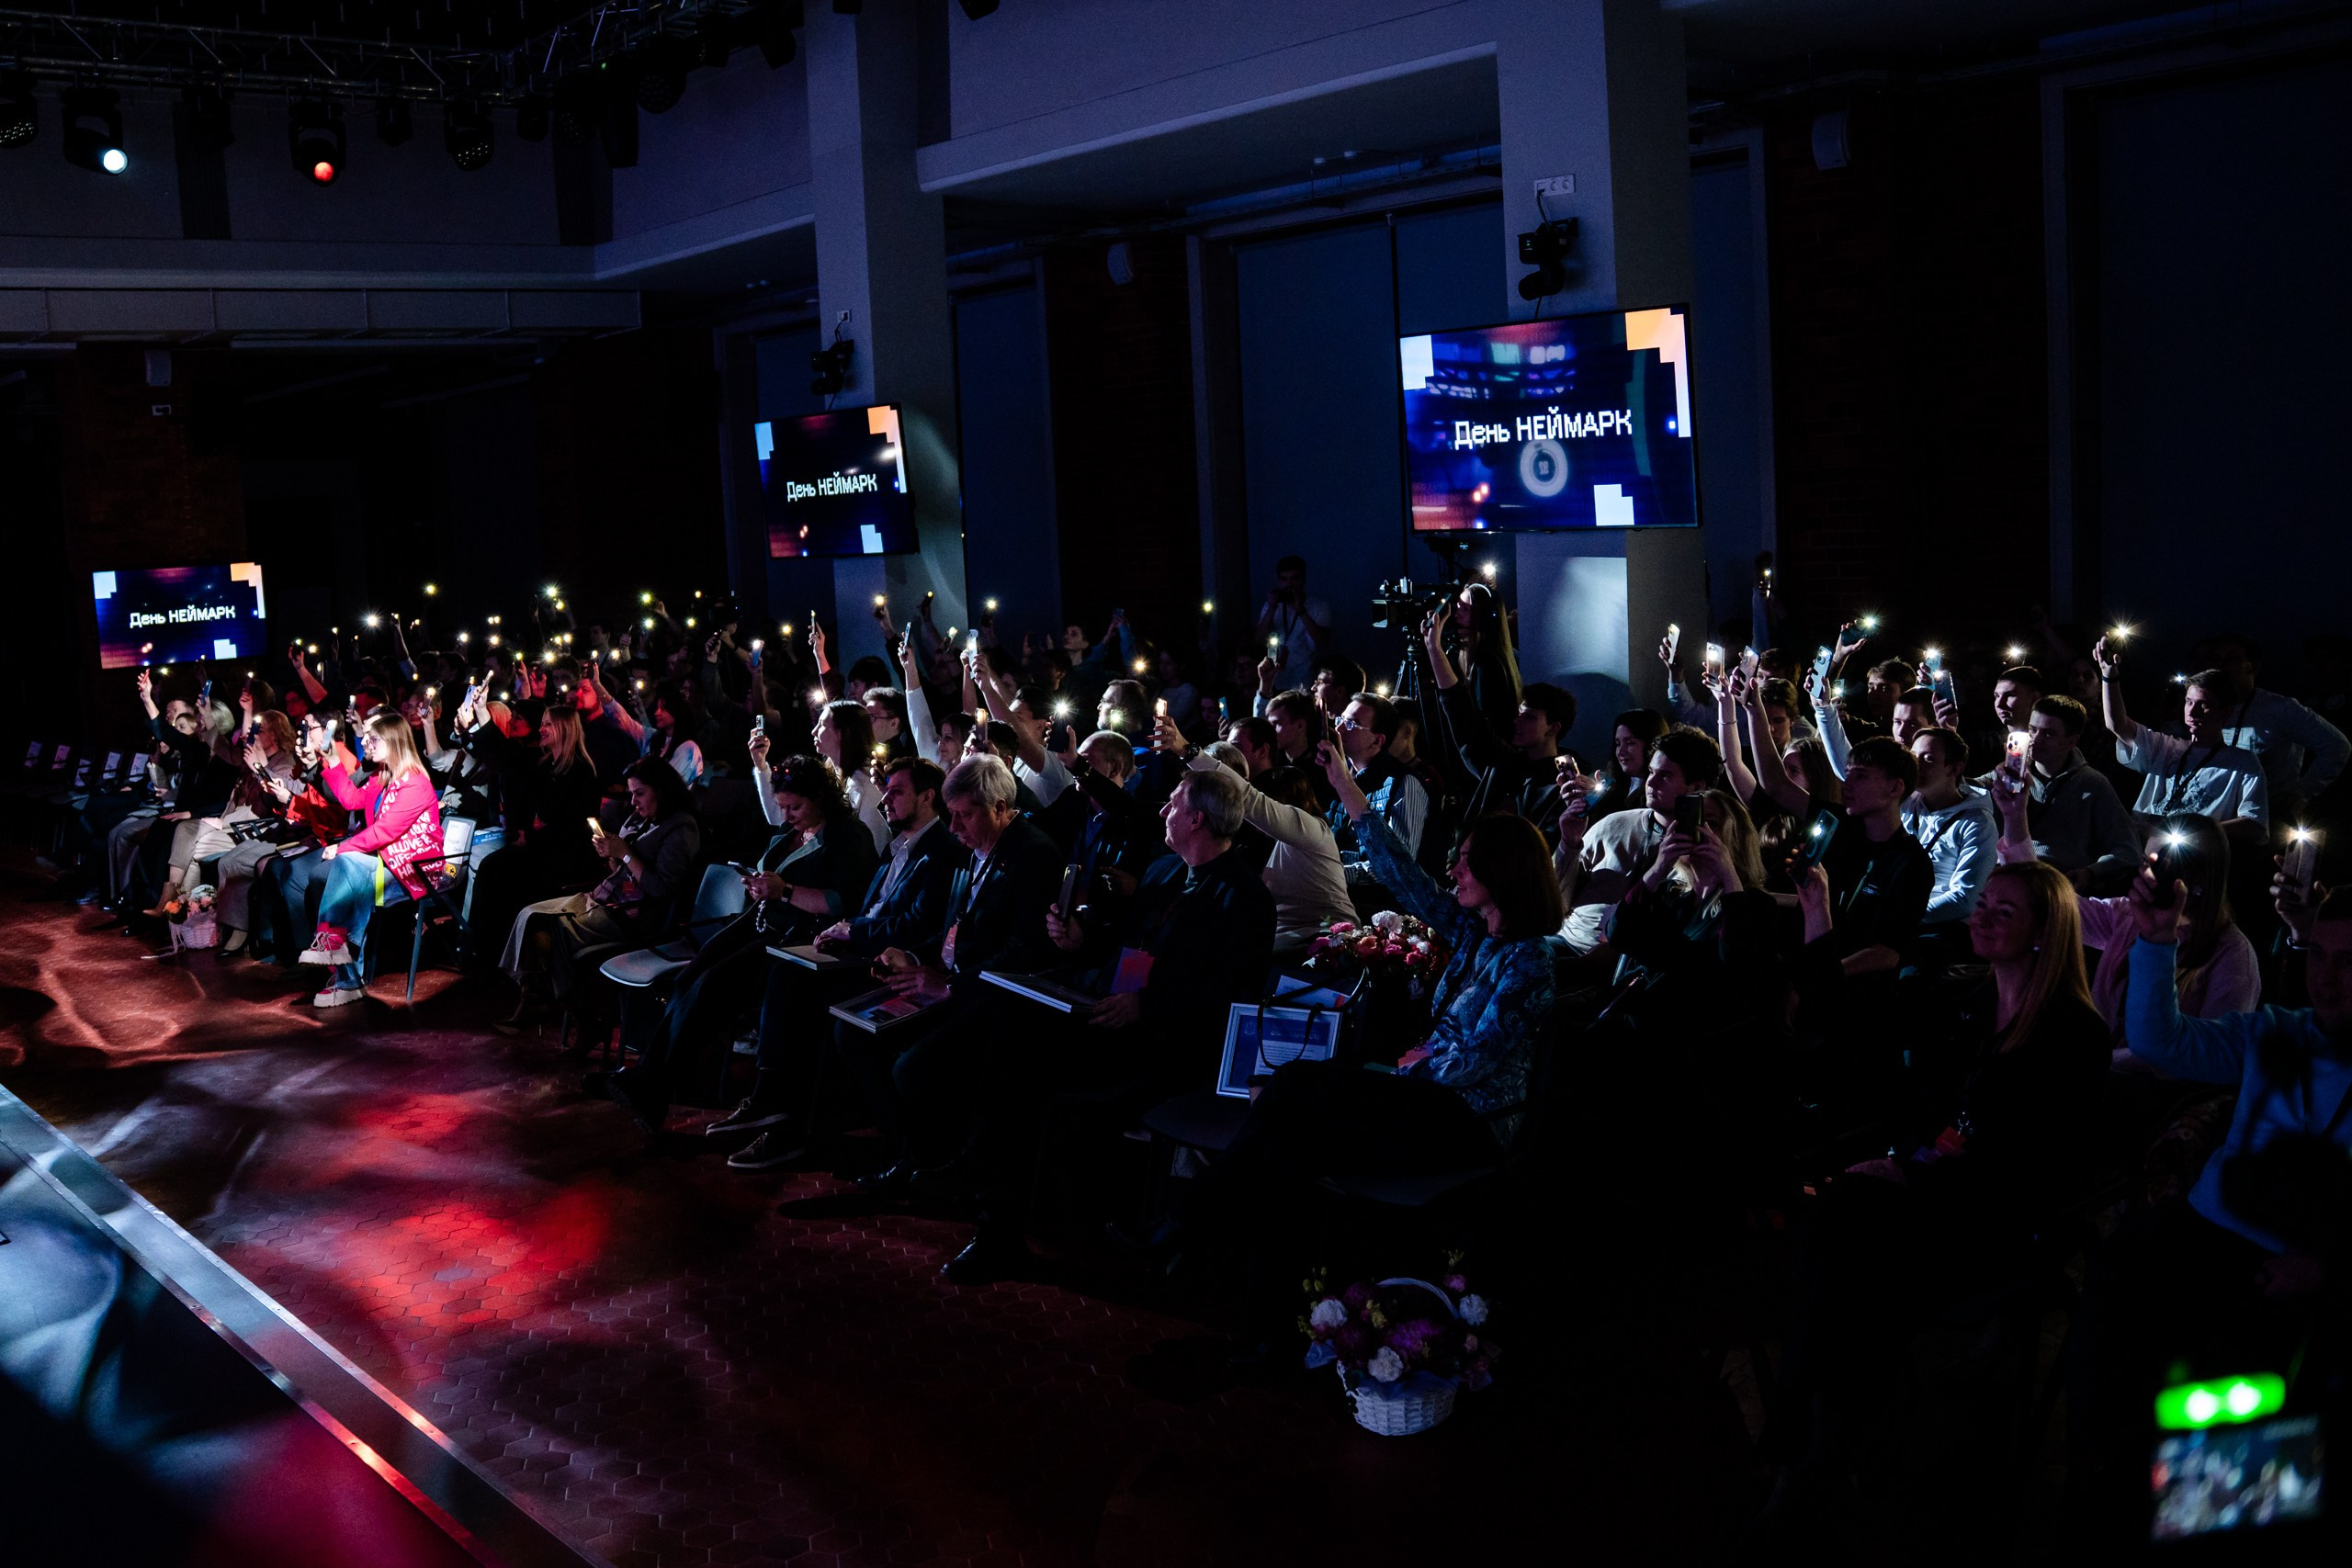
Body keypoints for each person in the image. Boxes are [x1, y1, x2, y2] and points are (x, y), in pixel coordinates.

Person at [1125, 743, 1565, 1342]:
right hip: (1423, 1097)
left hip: (1468, 1121)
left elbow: (1478, 1056)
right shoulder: (1473, 933)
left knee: (1294, 1095)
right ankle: (1263, 1329)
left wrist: (1417, 1062)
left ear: (1503, 874)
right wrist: (1347, 790)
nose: (1455, 871)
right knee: (1288, 1144)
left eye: (1466, 862)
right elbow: (1402, 876)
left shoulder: (1530, 959)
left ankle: (1184, 1225)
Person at [1770, 861, 2108, 1532]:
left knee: (1847, 1239)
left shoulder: (2074, 1034)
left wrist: (1911, 1173)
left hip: (1999, 1217)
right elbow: (1881, 1050)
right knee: (1834, 1225)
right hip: (1933, 1193)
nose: (1981, 916)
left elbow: (2029, 1170)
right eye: (1982, 902)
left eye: (2004, 911)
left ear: (2045, 932)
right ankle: (1824, 1441)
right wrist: (1818, 919)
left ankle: (1809, 1448)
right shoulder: (1971, 999)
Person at [941, 763, 1279, 1283]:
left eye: (1173, 804)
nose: (1162, 811)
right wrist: (1077, 938)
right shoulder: (1165, 871)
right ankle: (991, 1202)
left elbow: (1232, 990)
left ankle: (995, 1196)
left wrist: (1149, 1004)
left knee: (1025, 1066)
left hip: (1171, 1039)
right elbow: (1124, 942)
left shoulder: (1246, 897)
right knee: (1010, 1030)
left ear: (1197, 820)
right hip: (1114, 1013)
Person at [604, 750, 877, 1134]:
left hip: (798, 938)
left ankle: (653, 1085)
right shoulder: (793, 832)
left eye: (795, 806)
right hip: (759, 922)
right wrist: (757, 885)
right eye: (783, 807)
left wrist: (784, 892)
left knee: (712, 987)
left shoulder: (849, 836)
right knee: (688, 978)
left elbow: (844, 902)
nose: (787, 816)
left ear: (820, 798)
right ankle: (652, 1079)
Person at [715, 756, 967, 1171]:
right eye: (885, 790)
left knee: (804, 999)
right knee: (783, 973)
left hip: (886, 962)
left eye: (897, 791)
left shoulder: (942, 851)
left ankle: (787, 1122)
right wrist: (847, 928)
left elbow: (915, 924)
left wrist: (853, 931)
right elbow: (871, 908)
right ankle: (773, 1103)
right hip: (860, 950)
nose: (885, 799)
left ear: (927, 796)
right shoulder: (896, 846)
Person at [842, 756, 1065, 1198]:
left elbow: (1024, 953)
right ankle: (912, 1153)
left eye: (965, 815)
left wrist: (948, 986)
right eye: (953, 815)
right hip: (954, 983)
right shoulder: (972, 850)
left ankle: (939, 1162)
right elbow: (953, 931)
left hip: (995, 999)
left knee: (913, 1067)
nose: (956, 828)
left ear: (1000, 808)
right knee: (853, 1034)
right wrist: (909, 956)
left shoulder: (1034, 854)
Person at [1993, 801, 2256, 1042]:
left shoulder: (2232, 955)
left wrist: (2104, 1062)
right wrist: (2014, 815)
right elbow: (2053, 903)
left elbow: (2213, 1050)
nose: (2147, 873)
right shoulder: (2128, 916)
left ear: (2200, 878)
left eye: (2164, 865)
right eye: (2145, 861)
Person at [496, 758, 702, 1025]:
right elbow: (620, 870)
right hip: (606, 897)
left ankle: (577, 1014)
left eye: (640, 793)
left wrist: (625, 854)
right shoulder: (640, 819)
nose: (634, 801)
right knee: (529, 914)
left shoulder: (681, 828)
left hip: (632, 915)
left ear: (661, 790)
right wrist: (611, 855)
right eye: (631, 794)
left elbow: (663, 887)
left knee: (550, 928)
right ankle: (534, 995)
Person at [1156, 716, 1351, 950]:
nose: (1253, 818)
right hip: (1278, 946)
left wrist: (1188, 752)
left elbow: (1251, 800)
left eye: (1267, 808)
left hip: (1330, 943)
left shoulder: (1312, 832)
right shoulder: (1247, 843)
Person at [297, 708, 447, 1009]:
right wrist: (335, 761)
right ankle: (339, 956)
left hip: (415, 868)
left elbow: (384, 832)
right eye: (366, 738)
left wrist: (342, 847)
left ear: (393, 742)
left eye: (372, 739)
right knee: (346, 870)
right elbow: (351, 800)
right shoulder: (382, 776)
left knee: (347, 864)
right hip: (386, 861)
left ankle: (340, 961)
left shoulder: (415, 781)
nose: (365, 744)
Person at [1555, 728, 1724, 956]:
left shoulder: (1706, 848)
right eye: (1651, 772)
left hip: (1631, 961)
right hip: (1566, 942)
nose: (1651, 783)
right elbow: (1553, 901)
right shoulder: (1614, 824)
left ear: (1696, 787)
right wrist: (1569, 843)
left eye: (1665, 776)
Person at [1419, 608, 1569, 847]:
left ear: (1553, 728)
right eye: (1519, 715)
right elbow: (1462, 714)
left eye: (1529, 718)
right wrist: (1434, 650)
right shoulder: (1505, 763)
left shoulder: (1564, 783)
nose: (1517, 722)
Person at [2093, 639, 2268, 840]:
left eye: (2204, 705)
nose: (2192, 711)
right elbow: (2117, 725)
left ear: (2226, 712)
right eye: (2189, 702)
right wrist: (2109, 675)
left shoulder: (2243, 763)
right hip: (2140, 846)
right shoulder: (2165, 747)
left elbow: (2256, 825)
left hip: (2190, 857)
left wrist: (2187, 833)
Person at [1974, 693, 2138, 895]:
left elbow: (2127, 848)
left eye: (2049, 734)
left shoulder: (2092, 784)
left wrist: (2091, 872)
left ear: (2071, 741)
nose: (2036, 739)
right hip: (2009, 873)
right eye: (2032, 730)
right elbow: (1967, 790)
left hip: (2057, 885)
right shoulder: (2012, 774)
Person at [1796, 735, 1933, 978]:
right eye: (1847, 774)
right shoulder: (1841, 833)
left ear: (1895, 787)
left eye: (1860, 776)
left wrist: (1825, 975)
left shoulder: (1912, 862)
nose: (1846, 784)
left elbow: (1888, 952)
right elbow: (1773, 785)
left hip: (1859, 994)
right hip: (1813, 967)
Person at [2203, 632, 2349, 821]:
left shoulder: (2280, 709)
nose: (2221, 665)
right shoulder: (2206, 707)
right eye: (2217, 659)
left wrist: (2302, 793)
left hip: (2267, 818)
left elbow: (2337, 746)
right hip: (2220, 816)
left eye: (2232, 658)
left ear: (2253, 667)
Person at [1325, 693, 1429, 904]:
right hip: (1341, 899)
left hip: (1388, 913)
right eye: (1341, 720)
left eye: (1352, 724)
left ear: (1377, 740)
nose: (1339, 729)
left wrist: (1333, 874)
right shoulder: (1341, 775)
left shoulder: (1404, 783)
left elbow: (1399, 866)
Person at [1903, 728, 1998, 931]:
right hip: (1896, 917)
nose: (1917, 765)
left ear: (1955, 769)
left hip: (1941, 928)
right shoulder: (1906, 804)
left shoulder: (1977, 823)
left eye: (1928, 759)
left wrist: (1901, 917)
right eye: (1913, 756)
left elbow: (1964, 898)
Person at [1254, 554, 1330, 692]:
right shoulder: (1271, 606)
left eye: (1294, 578)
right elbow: (1258, 639)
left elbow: (1323, 642)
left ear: (1303, 579)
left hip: (1304, 676)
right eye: (1284, 579)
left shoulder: (1319, 607)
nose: (1289, 584)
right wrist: (1271, 609)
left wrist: (1301, 610)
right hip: (1275, 677)